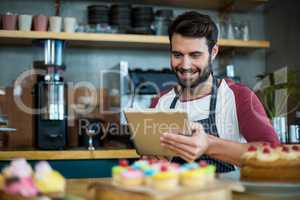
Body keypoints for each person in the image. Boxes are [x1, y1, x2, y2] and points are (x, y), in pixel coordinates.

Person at [149, 11, 280, 173]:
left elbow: (273, 152)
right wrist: (155, 159)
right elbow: (152, 164)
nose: (185, 64)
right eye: (177, 55)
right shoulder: (161, 101)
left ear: (213, 53)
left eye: (195, 55)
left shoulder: (239, 96)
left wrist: (209, 145)